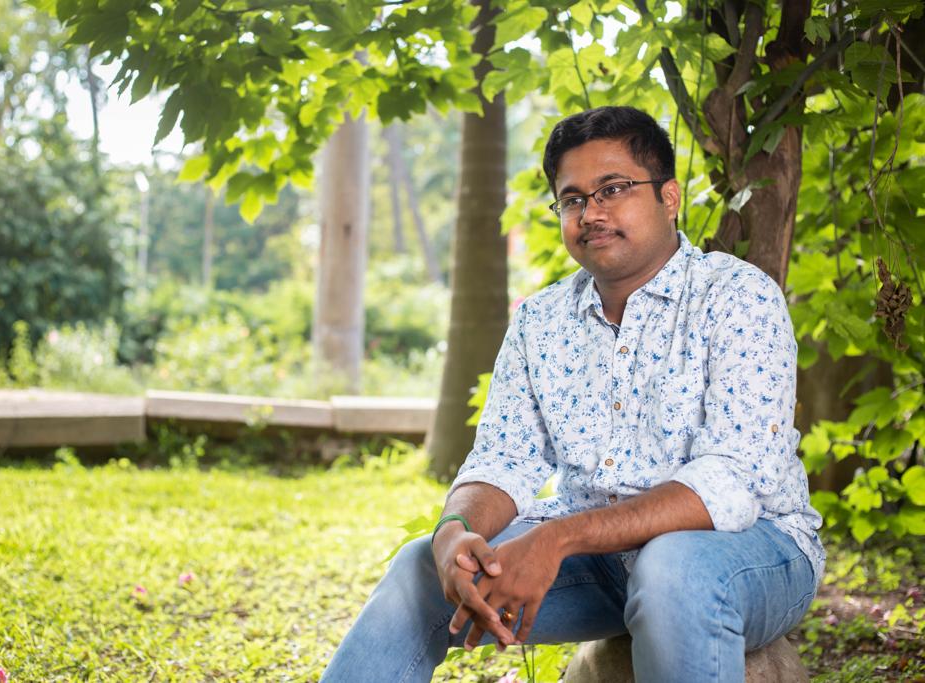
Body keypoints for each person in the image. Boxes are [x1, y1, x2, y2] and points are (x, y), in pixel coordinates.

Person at [321, 106, 824, 683]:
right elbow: (502, 459)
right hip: (598, 567)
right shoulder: (541, 321)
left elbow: (731, 482)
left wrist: (557, 537)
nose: (592, 213)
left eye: (613, 189)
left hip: (749, 552)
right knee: (419, 569)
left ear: (669, 197)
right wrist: (454, 531)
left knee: (673, 565)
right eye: (573, 199)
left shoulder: (737, 296)